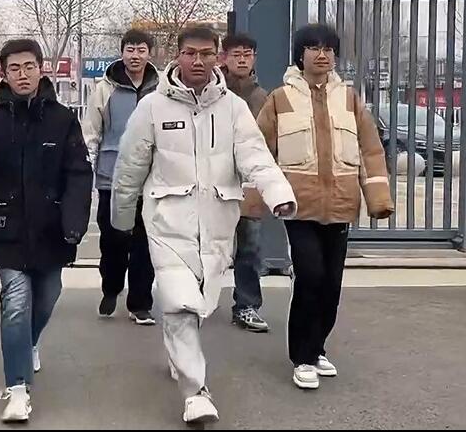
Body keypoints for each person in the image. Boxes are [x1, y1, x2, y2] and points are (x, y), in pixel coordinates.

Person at [112, 26, 296, 424]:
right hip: (166, 223)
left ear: (218, 58)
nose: (198, 61)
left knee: (197, 303)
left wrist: (278, 193)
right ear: (177, 56)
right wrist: (121, 219)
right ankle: (196, 392)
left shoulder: (234, 108)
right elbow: (129, 167)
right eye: (190, 53)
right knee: (179, 305)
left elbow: (255, 156)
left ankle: (179, 352)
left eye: (207, 54)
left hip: (217, 225)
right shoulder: (152, 107)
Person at [256, 23, 393, 390]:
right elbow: (259, 152)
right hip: (298, 207)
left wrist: (378, 198)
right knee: (311, 275)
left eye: (328, 49)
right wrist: (255, 201)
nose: (322, 55)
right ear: (300, 55)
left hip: (341, 205)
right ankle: (301, 357)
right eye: (314, 48)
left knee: (332, 283)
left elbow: (370, 150)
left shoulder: (349, 99)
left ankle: (317, 348)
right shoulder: (280, 98)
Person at [0, 39, 92, 423]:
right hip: (6, 230)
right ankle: (17, 388)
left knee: (48, 296)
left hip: (51, 230)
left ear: (42, 69)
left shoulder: (63, 120)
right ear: (3, 73)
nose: (22, 75)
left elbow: (78, 174)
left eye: (29, 67)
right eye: (14, 68)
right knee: (16, 303)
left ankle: (29, 342)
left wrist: (74, 222)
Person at [82, 29, 159, 325]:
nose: (135, 55)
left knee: (145, 245)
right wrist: (86, 173)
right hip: (111, 179)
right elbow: (91, 132)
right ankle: (111, 288)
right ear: (122, 52)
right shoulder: (105, 89)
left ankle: (140, 304)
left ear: (150, 53)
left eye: (141, 50)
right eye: (130, 49)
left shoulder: (161, 88)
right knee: (113, 242)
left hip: (151, 181)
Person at [219, 34, 271, 333]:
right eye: (235, 54)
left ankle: (247, 305)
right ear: (223, 58)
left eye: (247, 54)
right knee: (205, 244)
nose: (241, 59)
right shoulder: (211, 91)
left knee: (250, 248)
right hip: (213, 181)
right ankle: (195, 300)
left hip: (248, 183)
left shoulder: (264, 97)